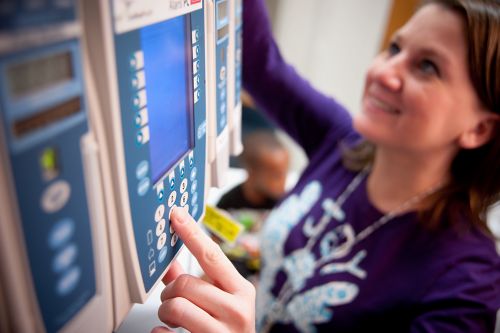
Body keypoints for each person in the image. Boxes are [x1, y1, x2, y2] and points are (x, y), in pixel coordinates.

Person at [153, 0, 500, 332]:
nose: (383, 73)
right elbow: (259, 62)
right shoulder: (344, 142)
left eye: (427, 66)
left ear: (479, 128)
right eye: (395, 49)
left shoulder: (468, 279)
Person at [217, 130, 289, 211]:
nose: (283, 181)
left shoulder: (284, 205)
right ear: (252, 172)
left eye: (285, 173)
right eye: (276, 176)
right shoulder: (228, 206)